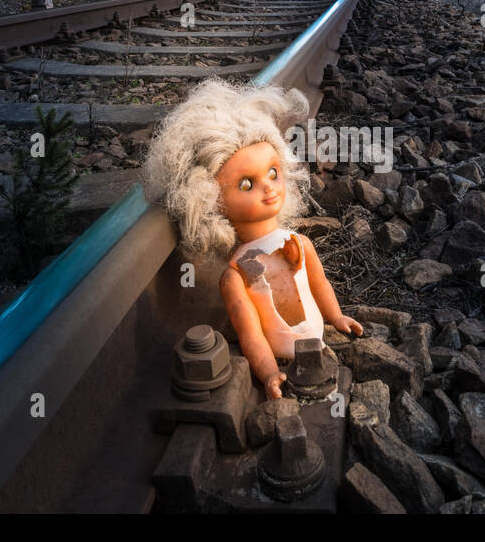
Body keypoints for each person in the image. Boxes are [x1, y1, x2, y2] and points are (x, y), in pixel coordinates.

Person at [142, 78, 362, 399]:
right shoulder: (234, 277)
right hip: (282, 350)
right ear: (208, 199)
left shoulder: (301, 244)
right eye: (247, 184)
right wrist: (269, 371)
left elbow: (319, 284)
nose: (269, 187)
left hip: (314, 335)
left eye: (273, 173)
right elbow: (251, 335)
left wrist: (336, 315)